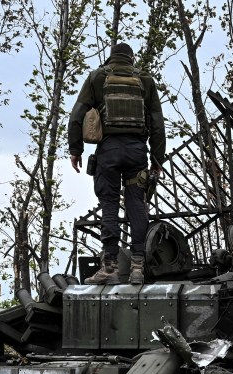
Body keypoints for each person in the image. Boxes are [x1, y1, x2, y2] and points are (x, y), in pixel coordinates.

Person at [68, 42, 166, 285]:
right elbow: (157, 123)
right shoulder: (145, 80)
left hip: (108, 152)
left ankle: (109, 268)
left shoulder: (97, 78)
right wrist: (157, 159)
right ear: (131, 59)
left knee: (109, 204)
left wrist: (75, 149)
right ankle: (137, 267)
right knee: (136, 204)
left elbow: (76, 115)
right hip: (136, 152)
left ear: (111, 58)